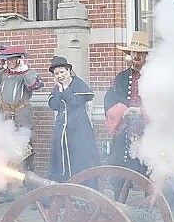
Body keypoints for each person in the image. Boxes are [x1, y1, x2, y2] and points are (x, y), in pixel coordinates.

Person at [104, 31, 151, 182]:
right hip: (124, 133)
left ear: (146, 56)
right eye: (134, 52)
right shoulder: (121, 77)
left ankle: (151, 204)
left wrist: (142, 112)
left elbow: (162, 104)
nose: (136, 56)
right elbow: (109, 99)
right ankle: (118, 204)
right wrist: (124, 111)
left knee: (150, 175)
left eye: (140, 53)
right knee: (119, 176)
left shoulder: (155, 76)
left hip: (148, 134)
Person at [0, 45, 44, 174]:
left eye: (12, 60)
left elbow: (34, 85)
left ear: (19, 60)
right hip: (4, 116)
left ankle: (26, 180)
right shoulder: (2, 75)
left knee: (24, 149)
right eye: (7, 60)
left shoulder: (27, 74)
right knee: (5, 149)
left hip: (21, 116)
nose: (9, 63)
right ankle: (6, 181)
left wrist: (25, 70)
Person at [46, 56, 99, 182]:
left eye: (62, 72)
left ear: (68, 71)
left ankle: (83, 185)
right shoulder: (57, 88)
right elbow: (54, 105)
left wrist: (66, 88)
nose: (60, 76)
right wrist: (59, 90)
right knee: (61, 159)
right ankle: (65, 183)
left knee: (81, 157)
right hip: (61, 131)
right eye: (57, 73)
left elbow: (74, 102)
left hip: (79, 129)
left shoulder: (78, 84)